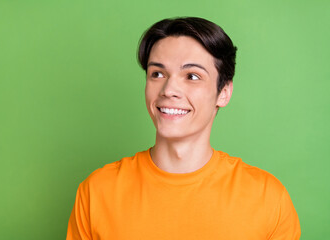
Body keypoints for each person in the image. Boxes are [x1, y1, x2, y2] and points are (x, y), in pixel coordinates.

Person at [66, 17, 301, 240]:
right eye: (157, 74)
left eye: (192, 76)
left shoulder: (268, 198)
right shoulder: (97, 192)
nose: (169, 89)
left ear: (224, 92)